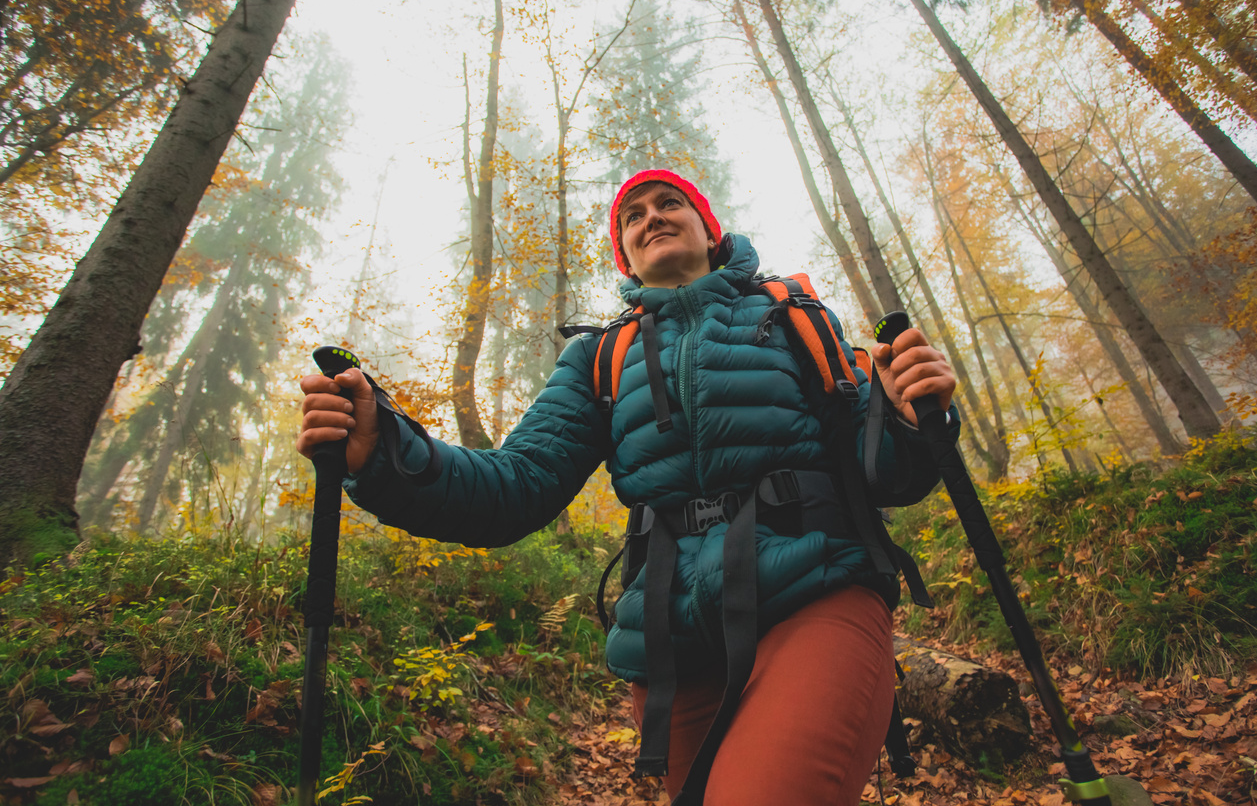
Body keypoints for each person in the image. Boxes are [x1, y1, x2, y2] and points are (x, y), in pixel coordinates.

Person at [298, 168, 957, 806]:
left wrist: (911, 416)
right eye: (632, 218)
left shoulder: (796, 316)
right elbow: (515, 486)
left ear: (709, 228)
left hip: (815, 596)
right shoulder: (599, 356)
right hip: (671, 641)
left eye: (669, 204)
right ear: (626, 257)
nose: (651, 219)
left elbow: (887, 473)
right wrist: (383, 449)